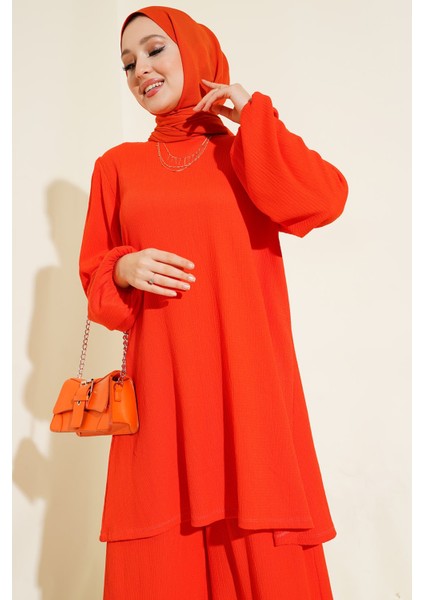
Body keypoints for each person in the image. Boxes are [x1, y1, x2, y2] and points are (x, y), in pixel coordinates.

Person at [79, 5, 349, 599]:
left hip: (248, 394)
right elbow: (100, 293)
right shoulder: (116, 167)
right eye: (127, 63)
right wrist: (121, 267)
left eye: (155, 50)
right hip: (162, 396)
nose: (141, 71)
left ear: (196, 54)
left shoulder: (247, 153)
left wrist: (252, 115)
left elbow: (324, 200)